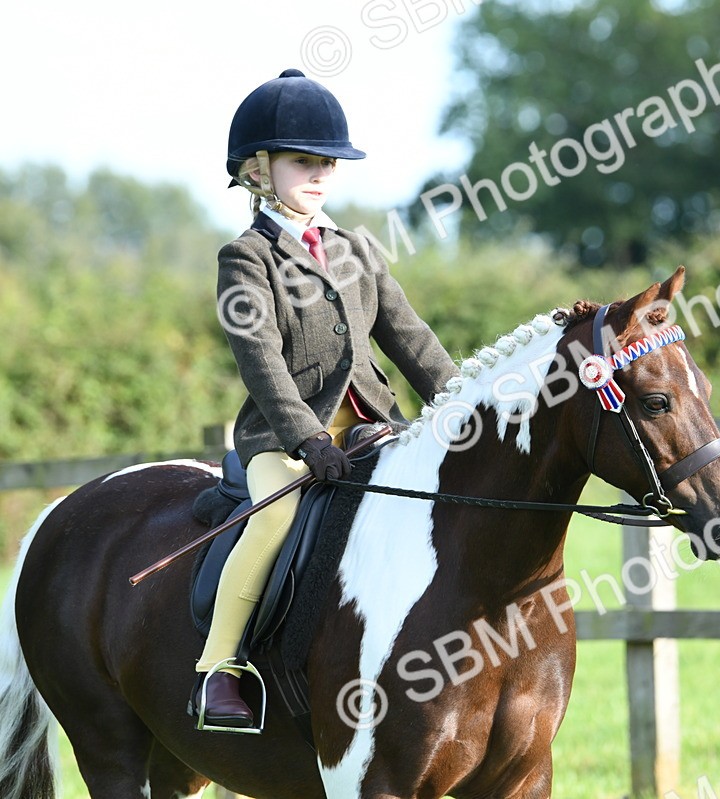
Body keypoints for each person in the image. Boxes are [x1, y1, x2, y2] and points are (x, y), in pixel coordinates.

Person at [191, 68, 457, 730]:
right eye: (302, 162)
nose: (318, 175)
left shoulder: (355, 249)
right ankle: (219, 668)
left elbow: (411, 338)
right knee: (275, 517)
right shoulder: (246, 257)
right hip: (286, 440)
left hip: (374, 427)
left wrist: (462, 400)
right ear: (259, 169)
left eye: (327, 164)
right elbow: (260, 361)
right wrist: (307, 437)